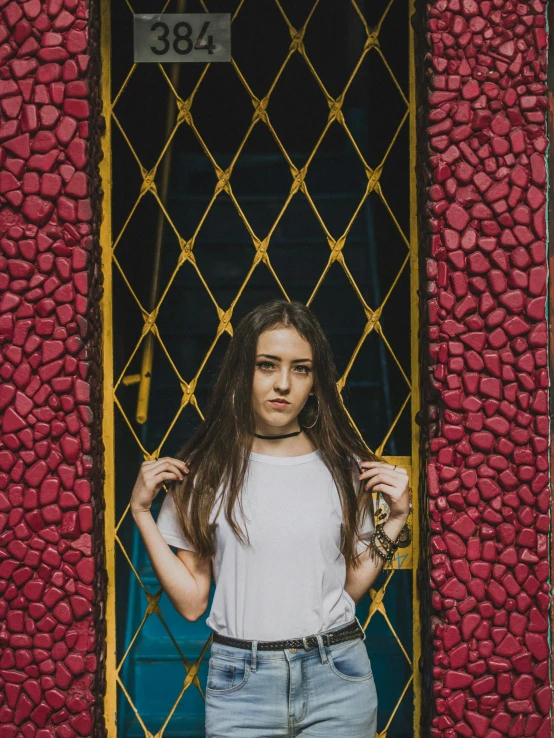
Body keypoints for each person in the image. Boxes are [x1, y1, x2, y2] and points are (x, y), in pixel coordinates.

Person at [130, 299, 411, 738]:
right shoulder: (205, 471)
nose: (283, 384)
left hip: (337, 672)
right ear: (244, 372)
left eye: (301, 369)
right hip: (242, 682)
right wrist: (142, 513)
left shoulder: (344, 466)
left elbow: (349, 586)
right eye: (267, 365)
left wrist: (395, 519)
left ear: (316, 381)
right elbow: (191, 602)